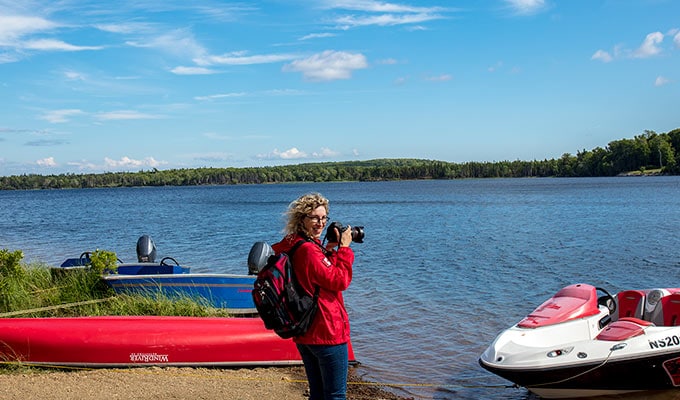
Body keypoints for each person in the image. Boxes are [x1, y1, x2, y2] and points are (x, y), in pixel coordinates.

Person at [272, 193, 354, 400]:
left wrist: (327, 250)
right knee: (335, 396)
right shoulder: (309, 250)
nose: (321, 223)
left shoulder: (292, 243)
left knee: (317, 394)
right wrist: (344, 249)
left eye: (324, 218)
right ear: (302, 219)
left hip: (305, 330)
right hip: (326, 330)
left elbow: (312, 275)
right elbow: (339, 280)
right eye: (315, 218)